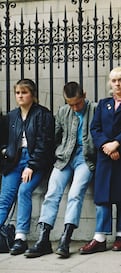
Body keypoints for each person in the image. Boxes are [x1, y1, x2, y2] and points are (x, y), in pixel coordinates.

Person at [24, 82, 97, 258]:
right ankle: (43, 239)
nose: (75, 107)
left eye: (78, 103)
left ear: (84, 95)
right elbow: (54, 136)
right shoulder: (64, 111)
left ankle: (65, 239)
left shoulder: (95, 109)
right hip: (64, 157)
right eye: (70, 103)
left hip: (85, 158)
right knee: (52, 193)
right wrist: (59, 152)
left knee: (75, 193)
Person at [79, 67, 121, 254]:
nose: (117, 83)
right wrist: (107, 147)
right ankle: (100, 237)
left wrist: (117, 144)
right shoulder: (103, 104)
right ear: (110, 83)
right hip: (105, 157)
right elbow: (95, 128)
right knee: (102, 198)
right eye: (114, 80)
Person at [0, 79, 54, 255]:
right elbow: (4, 139)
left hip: (35, 162)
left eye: (24, 92)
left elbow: (44, 144)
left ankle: (20, 238)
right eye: (17, 93)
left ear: (33, 94)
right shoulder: (11, 116)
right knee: (5, 197)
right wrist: (4, 150)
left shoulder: (43, 114)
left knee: (24, 191)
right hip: (14, 162)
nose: (20, 96)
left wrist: (31, 165)